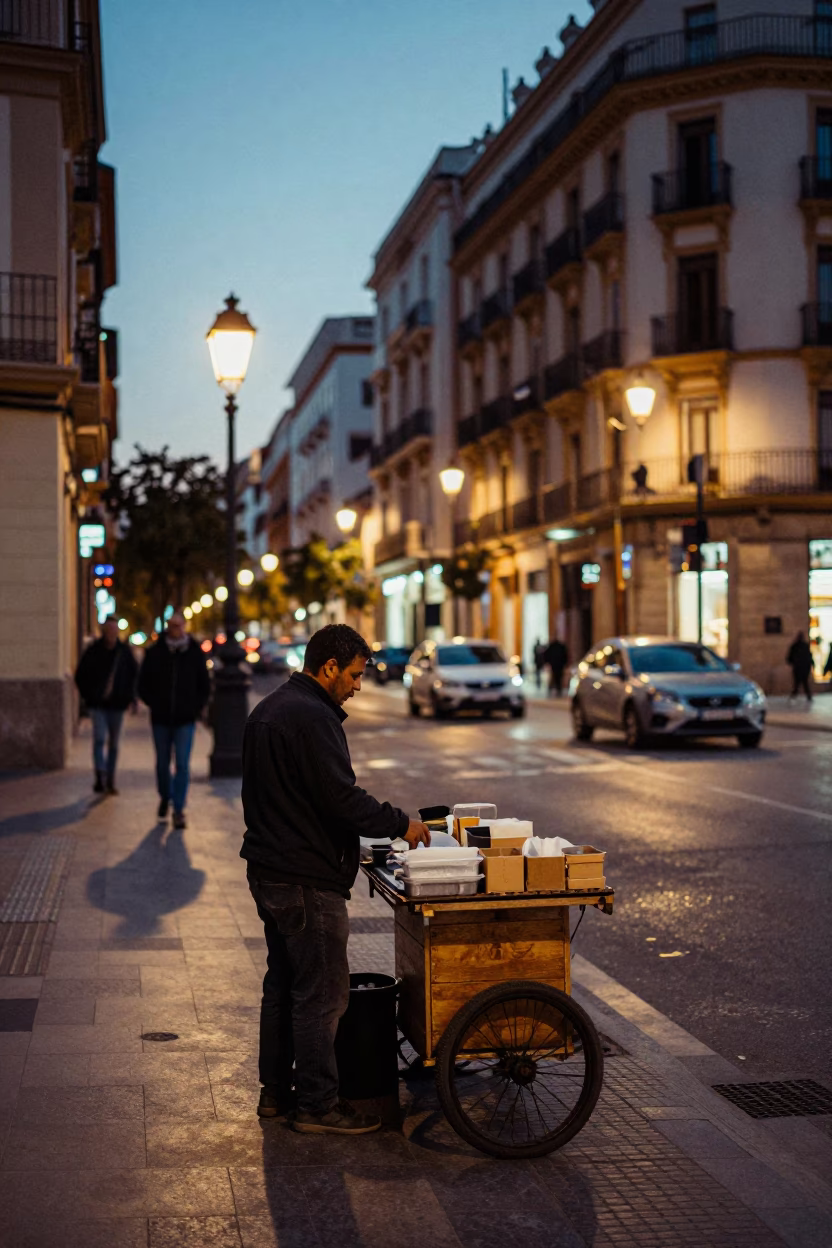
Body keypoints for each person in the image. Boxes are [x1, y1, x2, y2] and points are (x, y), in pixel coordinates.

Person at [241, 623, 430, 1136]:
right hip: (305, 880)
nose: (357, 685)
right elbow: (340, 798)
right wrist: (401, 825)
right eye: (353, 674)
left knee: (283, 987)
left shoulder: (269, 710)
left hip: (270, 873)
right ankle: (319, 1105)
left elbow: (283, 798)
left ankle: (275, 1096)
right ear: (328, 668)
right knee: (323, 996)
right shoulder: (312, 718)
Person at [138, 611, 210, 828]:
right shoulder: (155, 652)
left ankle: (178, 809)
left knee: (182, 764)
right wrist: (154, 702)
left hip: (185, 720)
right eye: (172, 625)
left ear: (184, 627)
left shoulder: (194, 653)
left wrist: (195, 708)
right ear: (167, 627)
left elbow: (204, 685)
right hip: (160, 718)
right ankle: (165, 796)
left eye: (179, 625)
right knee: (162, 764)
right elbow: (142, 683)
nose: (175, 629)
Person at [74, 617, 138, 794]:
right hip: (98, 705)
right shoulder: (93, 651)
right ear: (104, 631)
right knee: (100, 739)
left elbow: (134, 675)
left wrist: (130, 698)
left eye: (114, 630)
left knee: (114, 744)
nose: (111, 633)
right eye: (108, 630)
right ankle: (100, 775)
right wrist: (89, 696)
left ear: (117, 631)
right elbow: (80, 675)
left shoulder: (124, 652)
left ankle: (110, 777)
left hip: (118, 705)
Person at [786, 630, 813, 702]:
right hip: (802, 668)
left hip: (799, 668)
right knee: (802, 683)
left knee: (799, 683)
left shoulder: (796, 646)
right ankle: (806, 696)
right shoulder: (803, 646)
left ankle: (795, 696)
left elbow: (790, 658)